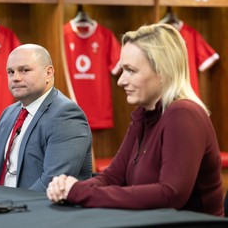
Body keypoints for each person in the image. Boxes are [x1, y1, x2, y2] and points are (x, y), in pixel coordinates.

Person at [46, 24, 224, 216]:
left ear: (163, 71)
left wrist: (80, 192)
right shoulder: (144, 114)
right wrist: (68, 188)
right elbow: (113, 176)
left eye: (131, 70)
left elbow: (170, 195)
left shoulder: (183, 114)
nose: (121, 80)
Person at [0, 44, 92, 191]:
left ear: (48, 73)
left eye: (24, 70)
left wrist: (10, 210)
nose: (16, 78)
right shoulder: (8, 114)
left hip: (37, 210)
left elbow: (51, 183)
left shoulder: (66, 115)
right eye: (10, 72)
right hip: (0, 205)